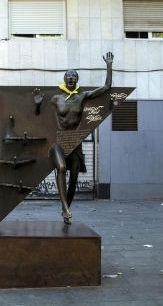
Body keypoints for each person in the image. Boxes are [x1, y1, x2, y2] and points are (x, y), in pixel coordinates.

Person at [48, 52, 113, 224]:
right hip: (59, 140)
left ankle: (65, 209)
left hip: (75, 141)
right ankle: (65, 208)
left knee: (74, 177)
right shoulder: (56, 98)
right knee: (61, 168)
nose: (71, 78)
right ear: (64, 79)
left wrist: (109, 66)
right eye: (68, 75)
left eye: (74, 76)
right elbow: (35, 110)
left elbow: (106, 88)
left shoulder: (82, 97)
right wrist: (39, 102)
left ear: (76, 80)